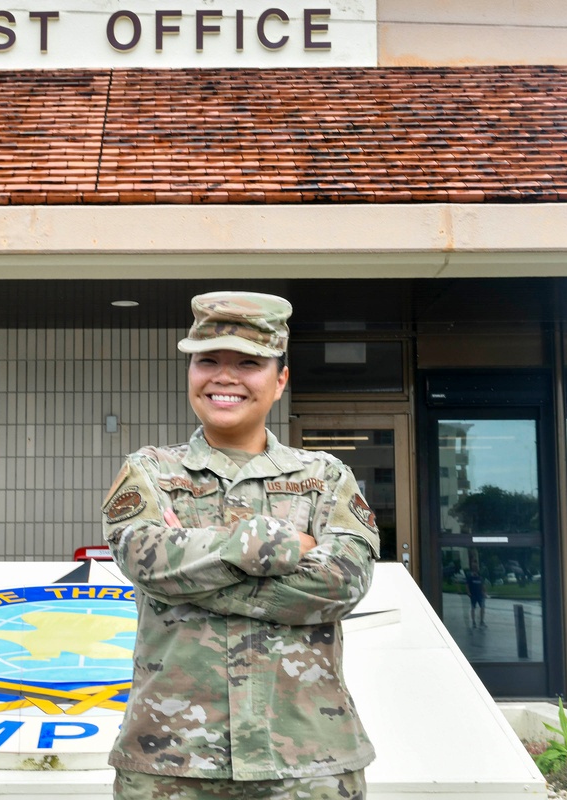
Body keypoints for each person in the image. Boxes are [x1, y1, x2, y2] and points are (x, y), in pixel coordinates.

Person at [101, 291, 381, 800]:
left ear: (280, 380)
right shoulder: (151, 470)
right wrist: (277, 544)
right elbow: (146, 561)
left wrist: (191, 578)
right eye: (207, 361)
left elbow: (343, 582)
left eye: (248, 363)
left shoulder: (325, 476)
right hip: (172, 759)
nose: (223, 377)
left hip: (308, 759)